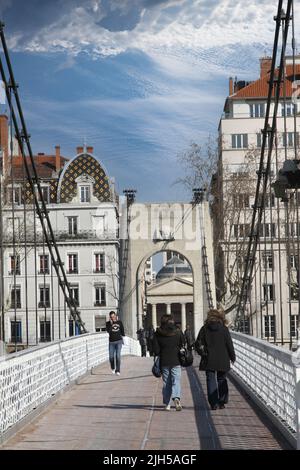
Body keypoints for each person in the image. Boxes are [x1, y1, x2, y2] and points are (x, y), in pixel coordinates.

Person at [196, 309, 236, 410]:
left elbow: (197, 344)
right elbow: (229, 344)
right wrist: (232, 357)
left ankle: (214, 403)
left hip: (209, 358)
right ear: (219, 317)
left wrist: (203, 353)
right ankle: (222, 401)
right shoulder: (224, 329)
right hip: (223, 358)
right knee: (221, 379)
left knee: (210, 380)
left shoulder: (204, 329)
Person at [153, 314, 185, 411]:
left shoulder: (158, 333)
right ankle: (176, 397)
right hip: (176, 360)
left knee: (166, 382)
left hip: (164, 361)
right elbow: (182, 343)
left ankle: (167, 404)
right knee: (176, 381)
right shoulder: (178, 332)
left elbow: (156, 350)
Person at [106, 311, 125, 375]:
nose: (113, 318)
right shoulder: (108, 323)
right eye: (111, 317)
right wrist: (111, 324)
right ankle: (113, 368)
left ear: (115, 316)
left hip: (119, 341)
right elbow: (108, 331)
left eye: (113, 317)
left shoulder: (119, 322)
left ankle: (118, 370)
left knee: (118, 356)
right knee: (111, 357)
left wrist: (124, 339)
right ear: (110, 317)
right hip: (111, 342)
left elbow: (122, 331)